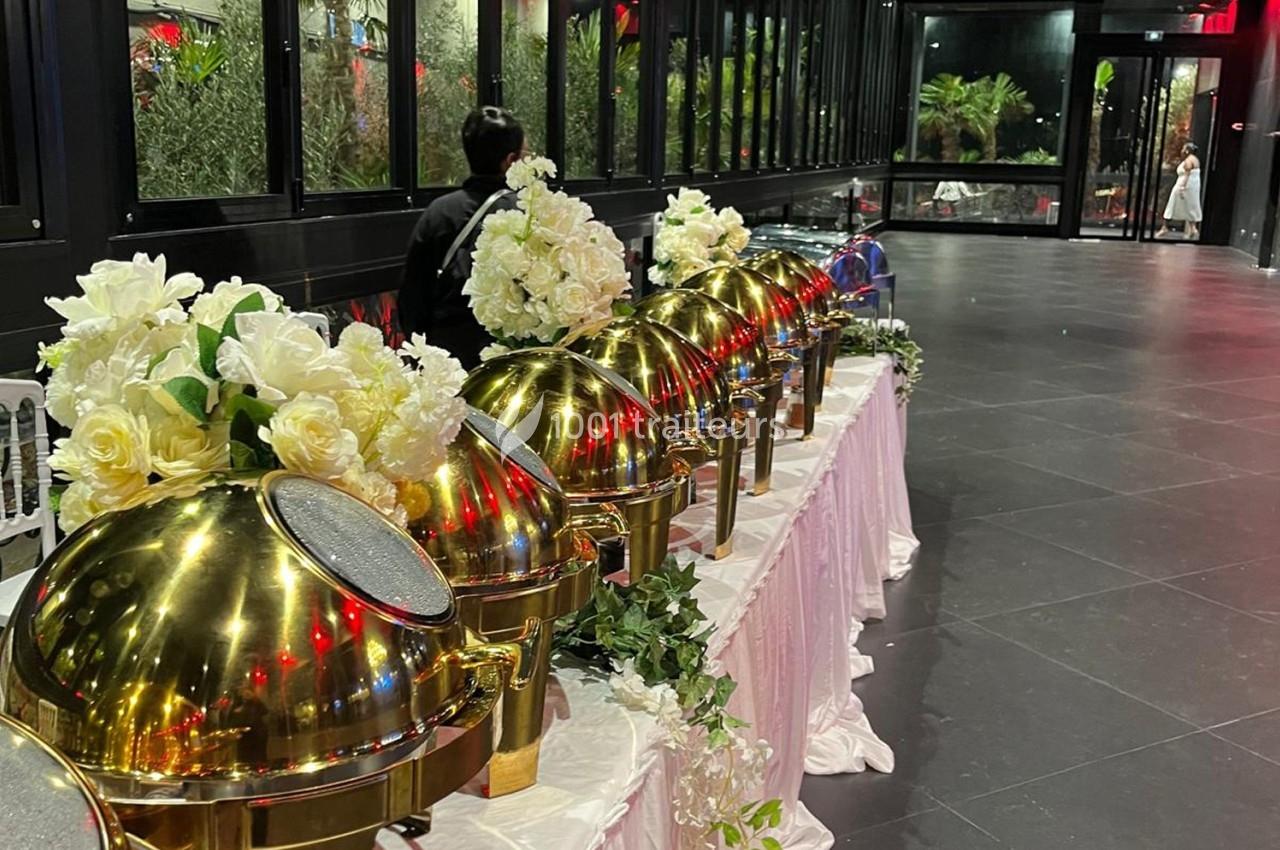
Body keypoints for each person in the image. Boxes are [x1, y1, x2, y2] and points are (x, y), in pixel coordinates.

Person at [398, 107, 525, 368]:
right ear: (510, 160)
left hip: (448, 357)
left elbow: (413, 296)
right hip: (509, 358)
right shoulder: (527, 213)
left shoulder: (438, 213)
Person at [1156, 143, 1202, 241]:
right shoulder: (1195, 159)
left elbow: (1186, 175)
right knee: (1190, 206)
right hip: (1193, 186)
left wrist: (1182, 187)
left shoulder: (1189, 161)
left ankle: (1165, 227)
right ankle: (1193, 229)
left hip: (1183, 185)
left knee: (1171, 205)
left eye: (1183, 148)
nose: (1181, 150)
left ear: (1187, 150)